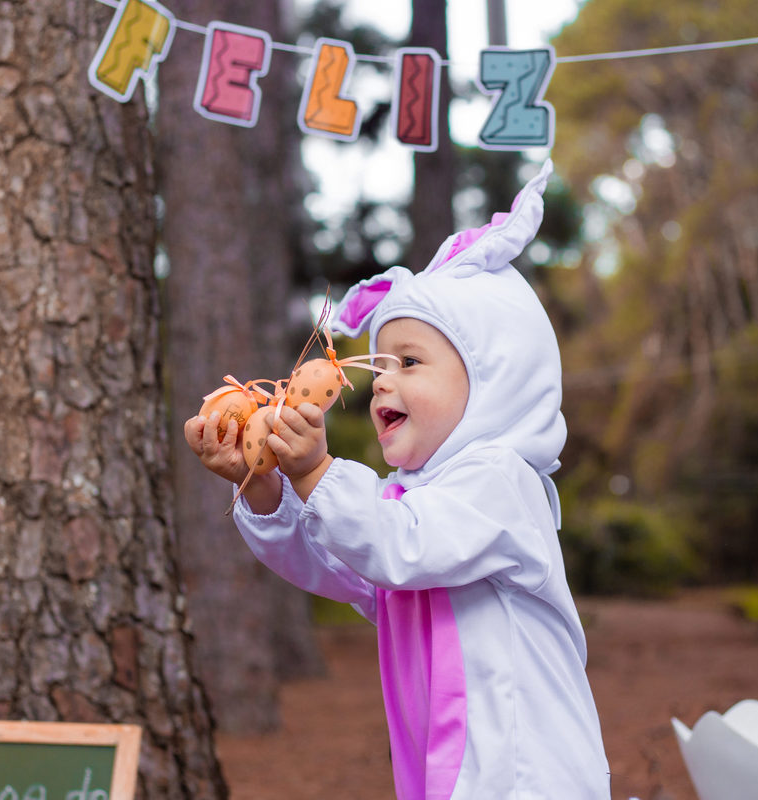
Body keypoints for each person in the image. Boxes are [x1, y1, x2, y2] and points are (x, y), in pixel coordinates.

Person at [184, 160, 611, 800]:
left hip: (526, 776)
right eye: (381, 364)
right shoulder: (407, 504)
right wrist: (268, 490)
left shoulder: (500, 481)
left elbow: (400, 546)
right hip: (449, 773)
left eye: (410, 362)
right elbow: (338, 559)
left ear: (491, 378)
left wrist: (319, 472)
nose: (382, 380)